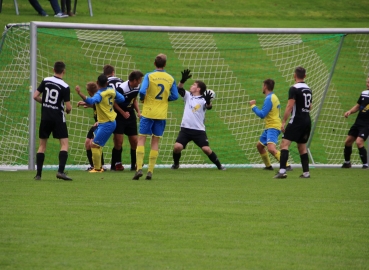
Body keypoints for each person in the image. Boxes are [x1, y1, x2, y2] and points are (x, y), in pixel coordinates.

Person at [132, 53, 179, 180]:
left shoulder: (149, 75)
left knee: (141, 139)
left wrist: (143, 98)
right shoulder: (170, 78)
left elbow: (142, 91)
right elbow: (175, 96)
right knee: (155, 141)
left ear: (154, 63)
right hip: (161, 114)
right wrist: (164, 99)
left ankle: (139, 168)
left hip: (148, 112)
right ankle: (150, 171)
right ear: (165, 64)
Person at [171, 69, 226, 171]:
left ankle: (219, 165)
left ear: (198, 89)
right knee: (177, 147)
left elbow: (209, 107)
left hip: (198, 130)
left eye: (193, 85)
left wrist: (209, 101)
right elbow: (179, 89)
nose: (191, 86)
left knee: (206, 149)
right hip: (185, 129)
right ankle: (176, 164)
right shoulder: (188, 96)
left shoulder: (204, 99)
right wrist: (182, 81)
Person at [75, 74, 125, 173]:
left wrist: (80, 93)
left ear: (97, 83)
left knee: (94, 144)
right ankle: (98, 167)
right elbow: (122, 99)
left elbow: (91, 100)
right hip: (107, 122)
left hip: (107, 123)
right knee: (94, 144)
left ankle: (97, 168)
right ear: (107, 83)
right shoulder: (111, 91)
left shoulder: (99, 94)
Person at [33, 61, 72, 181]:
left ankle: (38, 174)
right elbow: (68, 107)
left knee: (42, 146)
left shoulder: (46, 80)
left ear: (53, 69)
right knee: (64, 144)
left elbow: (35, 96)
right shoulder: (65, 86)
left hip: (45, 117)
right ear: (63, 71)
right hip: (58, 118)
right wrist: (67, 111)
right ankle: (60, 171)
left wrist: (45, 103)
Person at [274, 66, 312, 179]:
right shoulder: (308, 89)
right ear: (305, 76)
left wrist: (284, 121)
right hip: (307, 120)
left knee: (284, 144)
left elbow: (290, 106)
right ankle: (306, 173)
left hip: (297, 120)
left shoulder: (294, 88)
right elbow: (310, 107)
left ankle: (282, 171)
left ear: (294, 75)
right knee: (302, 147)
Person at [250, 79, 292, 171]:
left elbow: (262, 114)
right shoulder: (273, 97)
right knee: (260, 146)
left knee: (271, 149)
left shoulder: (269, 99)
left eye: (263, 86)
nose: (262, 87)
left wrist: (253, 106)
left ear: (265, 86)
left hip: (273, 127)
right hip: (270, 126)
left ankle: (287, 165)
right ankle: (268, 166)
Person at [111, 71, 144, 171]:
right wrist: (122, 113)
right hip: (119, 116)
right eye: (139, 80)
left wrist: (138, 111)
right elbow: (114, 103)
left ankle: (135, 165)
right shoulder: (121, 88)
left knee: (134, 141)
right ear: (134, 80)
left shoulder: (137, 87)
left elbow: (134, 100)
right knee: (118, 142)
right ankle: (115, 165)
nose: (140, 82)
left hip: (130, 115)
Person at [76, 82, 106, 171]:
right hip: (97, 124)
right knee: (87, 143)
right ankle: (93, 166)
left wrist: (99, 121)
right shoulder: (96, 98)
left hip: (101, 124)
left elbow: (104, 110)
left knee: (94, 143)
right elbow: (95, 104)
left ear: (89, 91)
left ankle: (101, 165)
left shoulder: (98, 97)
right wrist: (87, 105)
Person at [341, 77, 369, 169]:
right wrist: (349, 111)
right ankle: (347, 163)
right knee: (348, 141)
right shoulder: (364, 93)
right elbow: (358, 106)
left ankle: (365, 164)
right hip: (358, 122)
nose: (367, 84)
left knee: (359, 142)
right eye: (367, 82)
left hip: (367, 124)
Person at [102, 64, 125, 171]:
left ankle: (99, 165)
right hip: (120, 113)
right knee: (118, 141)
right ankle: (115, 164)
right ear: (113, 72)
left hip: (106, 112)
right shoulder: (121, 81)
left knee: (98, 139)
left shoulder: (103, 83)